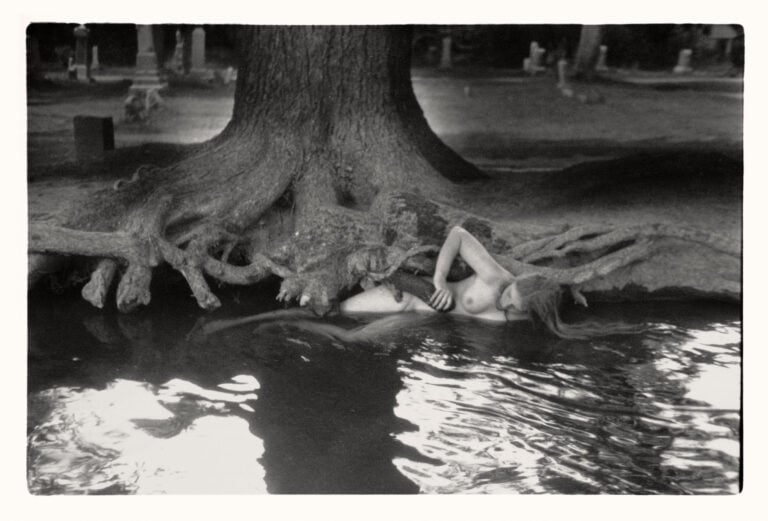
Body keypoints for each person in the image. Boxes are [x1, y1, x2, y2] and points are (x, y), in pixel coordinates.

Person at [200, 226, 639, 341]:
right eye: (511, 289)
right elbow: (459, 234)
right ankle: (258, 319)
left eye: (513, 299)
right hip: (409, 293)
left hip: (419, 320)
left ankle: (287, 328)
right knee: (336, 313)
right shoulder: (495, 276)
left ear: (530, 310)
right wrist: (438, 278)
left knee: (354, 342)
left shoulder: (517, 318)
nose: (506, 295)